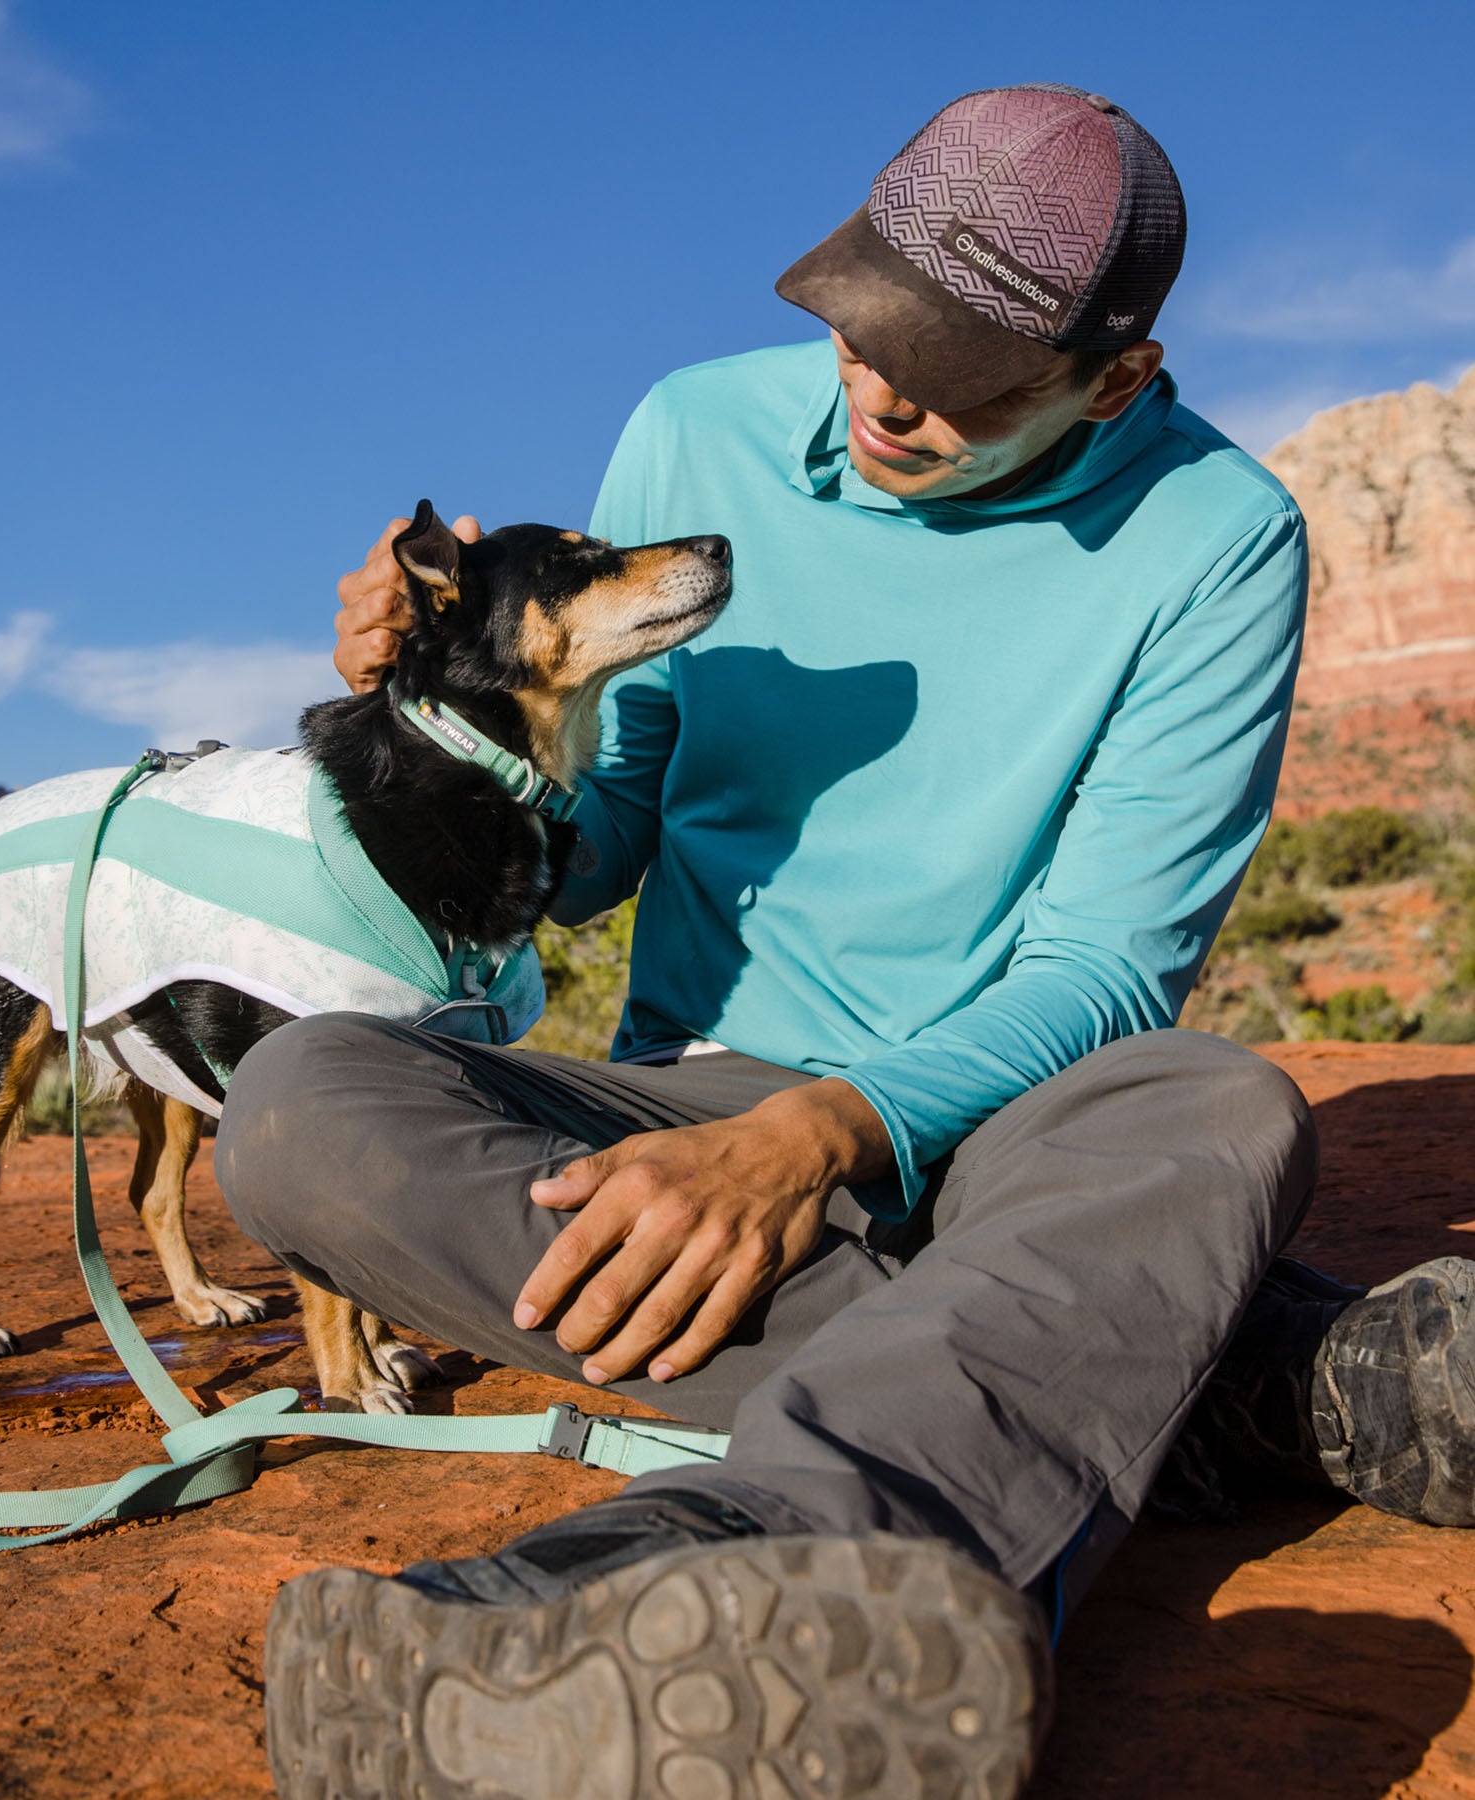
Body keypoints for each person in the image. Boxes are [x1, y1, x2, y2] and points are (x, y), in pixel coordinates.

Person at [216, 85, 1475, 1799]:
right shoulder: (693, 433)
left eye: (961, 378)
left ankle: (697, 1584)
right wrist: (454, 712)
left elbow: (1106, 969)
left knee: (1217, 1104)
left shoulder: (1218, 539)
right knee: (298, 1100)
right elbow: (592, 856)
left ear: (1114, 377)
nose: (886, 396)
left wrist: (829, 1131)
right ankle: (1215, 1375)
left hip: (1010, 1134)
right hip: (690, 1111)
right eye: (868, 331)